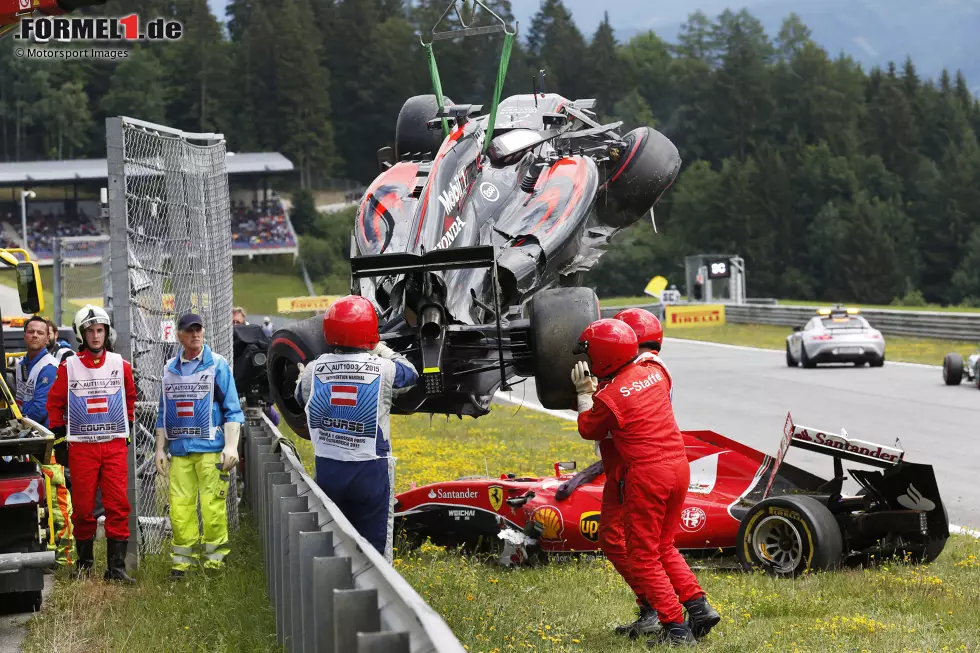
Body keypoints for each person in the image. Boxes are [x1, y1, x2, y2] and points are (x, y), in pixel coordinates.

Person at [571, 318, 718, 646]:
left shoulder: (609, 398)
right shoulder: (655, 370)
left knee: (643, 555)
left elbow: (588, 429)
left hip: (647, 474)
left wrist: (584, 394)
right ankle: (698, 606)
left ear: (604, 357)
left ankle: (676, 629)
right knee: (663, 545)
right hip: (678, 466)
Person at [294, 295, 418, 562]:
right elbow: (411, 375)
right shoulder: (384, 368)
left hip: (329, 467)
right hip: (370, 469)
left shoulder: (313, 370)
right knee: (375, 548)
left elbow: (297, 396)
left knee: (333, 539)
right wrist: (381, 348)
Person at [46, 305, 137, 583]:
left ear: (107, 333)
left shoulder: (121, 365)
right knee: (84, 508)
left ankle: (116, 569)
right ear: (81, 334)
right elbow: (54, 404)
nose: (96, 336)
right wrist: (60, 440)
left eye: (100, 330)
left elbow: (130, 398)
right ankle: (84, 566)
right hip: (82, 448)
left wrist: (128, 427)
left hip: (113, 445)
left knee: (118, 505)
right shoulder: (68, 367)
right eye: (90, 331)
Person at [154, 313, 245, 578]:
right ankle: (183, 564)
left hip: (211, 450)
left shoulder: (217, 365)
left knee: (212, 508)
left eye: (198, 330)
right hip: (181, 451)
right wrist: (160, 447)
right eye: (189, 331)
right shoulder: (170, 368)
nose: (195, 335)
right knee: (180, 508)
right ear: (180, 335)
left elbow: (232, 408)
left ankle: (214, 564)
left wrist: (231, 446)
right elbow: (163, 411)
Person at [16, 316, 74, 568]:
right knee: (37, 499)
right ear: (25, 335)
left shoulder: (49, 367)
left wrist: (18, 417)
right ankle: (46, 551)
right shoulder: (21, 365)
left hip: (48, 442)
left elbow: (39, 408)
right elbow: (19, 400)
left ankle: (66, 558)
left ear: (48, 337)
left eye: (41, 332)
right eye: (31, 331)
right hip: (29, 439)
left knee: (57, 499)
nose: (36, 335)